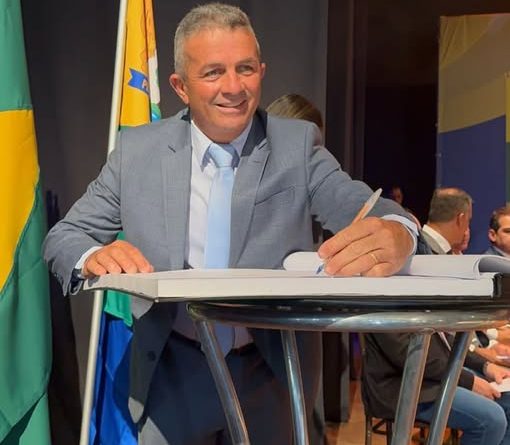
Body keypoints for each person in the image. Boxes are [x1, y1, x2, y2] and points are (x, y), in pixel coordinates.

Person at [43, 3, 416, 444]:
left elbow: (368, 207)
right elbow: (64, 237)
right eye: (214, 72)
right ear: (180, 86)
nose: (234, 87)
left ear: (262, 71)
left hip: (269, 373)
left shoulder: (296, 146)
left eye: (246, 69)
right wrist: (93, 255)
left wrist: (400, 231)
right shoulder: (137, 151)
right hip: (170, 374)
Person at [363, 331, 510, 445]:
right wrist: (469, 381)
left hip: (432, 377)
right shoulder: (387, 302)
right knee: (491, 419)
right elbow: (408, 355)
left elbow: (445, 340)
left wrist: (484, 365)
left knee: (508, 398)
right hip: (401, 388)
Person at [421, 187, 472, 255]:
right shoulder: (424, 251)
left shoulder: (415, 243)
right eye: (468, 220)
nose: (467, 229)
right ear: (460, 219)